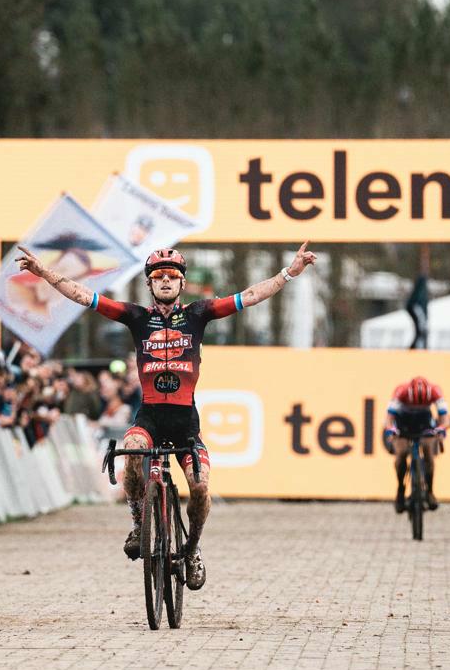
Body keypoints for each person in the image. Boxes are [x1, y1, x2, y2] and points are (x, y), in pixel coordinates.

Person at [16, 242, 317, 590]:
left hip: (186, 421)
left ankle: (191, 550)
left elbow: (249, 295)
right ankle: (137, 522)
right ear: (149, 284)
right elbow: (85, 296)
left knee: (200, 488)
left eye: (172, 276)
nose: (165, 281)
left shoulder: (199, 314)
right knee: (129, 452)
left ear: (182, 283)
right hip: (150, 417)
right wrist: (45, 274)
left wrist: (288, 273)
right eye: (157, 276)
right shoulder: (136, 317)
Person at [385, 376, 450, 512]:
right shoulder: (400, 391)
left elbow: (445, 419)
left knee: (428, 453)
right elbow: (389, 419)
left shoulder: (435, 391)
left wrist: (441, 429)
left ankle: (430, 492)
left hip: (423, 423)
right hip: (403, 423)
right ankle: (401, 489)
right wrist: (391, 430)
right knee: (401, 453)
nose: (416, 406)